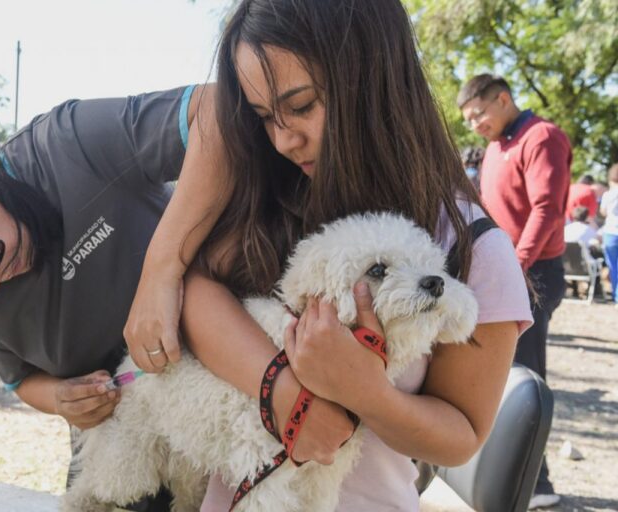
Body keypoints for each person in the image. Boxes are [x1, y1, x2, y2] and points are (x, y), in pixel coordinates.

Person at [125, 1, 532, 510]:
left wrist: (366, 392)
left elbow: (462, 432)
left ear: (374, 77)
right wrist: (282, 389)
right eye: (263, 118)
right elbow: (198, 291)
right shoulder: (274, 192)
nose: (283, 139)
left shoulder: (471, 247)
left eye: (300, 106)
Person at [0, 85, 227, 511]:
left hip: (224, 378)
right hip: (120, 437)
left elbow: (214, 109)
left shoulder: (67, 144)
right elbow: (20, 380)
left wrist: (162, 273)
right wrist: (62, 399)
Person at [457, 73, 571, 508]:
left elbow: (547, 208)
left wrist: (515, 269)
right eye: (468, 120)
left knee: (526, 375)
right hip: (504, 271)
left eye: (478, 114)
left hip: (534, 272)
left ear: (503, 99)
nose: (475, 125)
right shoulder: (494, 147)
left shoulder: (541, 137)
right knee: (493, 372)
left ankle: (536, 482)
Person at [600, 164, 618, 303]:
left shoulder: (608, 194)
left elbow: (603, 212)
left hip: (611, 231)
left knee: (613, 266)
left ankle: (616, 295)